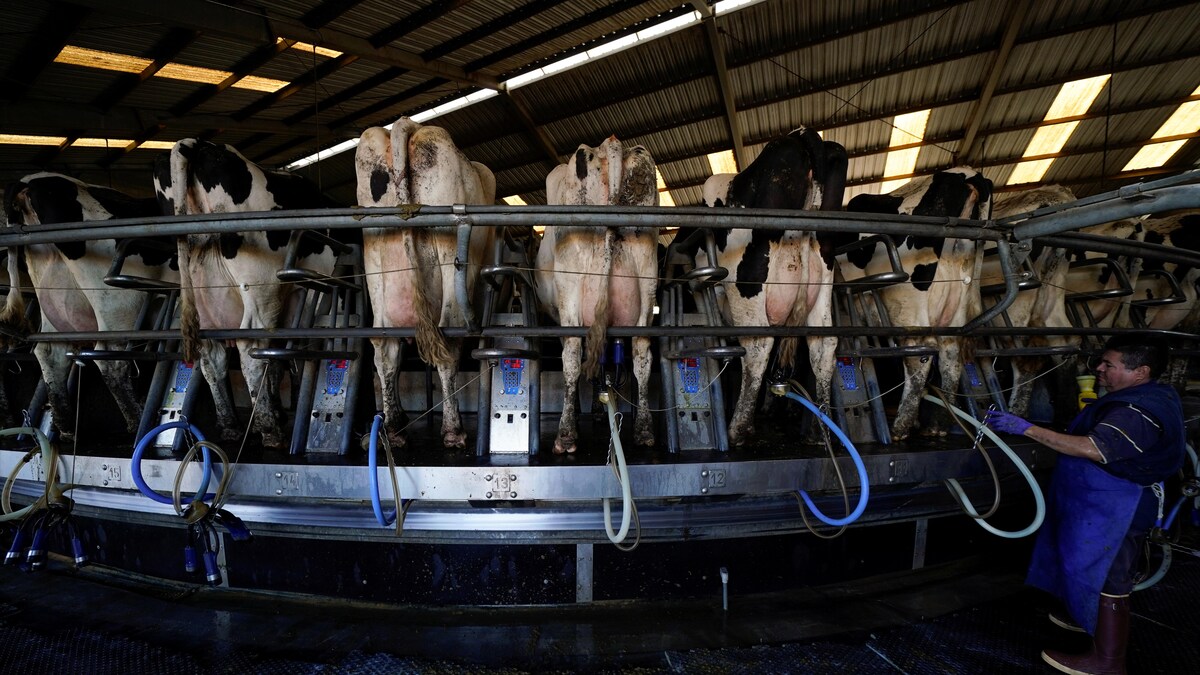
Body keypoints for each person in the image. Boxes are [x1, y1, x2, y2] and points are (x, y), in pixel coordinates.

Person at [986, 335, 1185, 675]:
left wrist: (1028, 428)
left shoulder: (1135, 411)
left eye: (1110, 365)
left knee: (1110, 577)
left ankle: (1107, 662)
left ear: (1142, 371)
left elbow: (1095, 448)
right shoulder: (1146, 394)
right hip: (1101, 501)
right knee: (1083, 563)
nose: (1099, 369)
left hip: (1117, 507)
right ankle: (1083, 612)